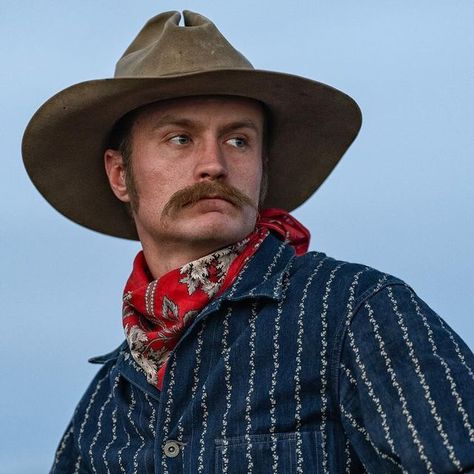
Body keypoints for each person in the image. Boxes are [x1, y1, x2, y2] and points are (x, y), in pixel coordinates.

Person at [22, 10, 474, 474]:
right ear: (120, 174)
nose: (214, 164)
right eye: (180, 139)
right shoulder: (103, 406)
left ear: (262, 173)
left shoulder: (354, 312)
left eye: (238, 140)